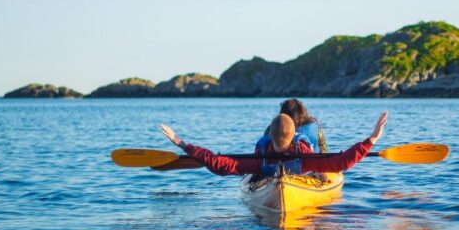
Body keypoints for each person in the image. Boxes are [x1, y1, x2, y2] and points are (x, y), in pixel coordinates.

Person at [160, 111, 388, 176]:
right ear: (294, 137)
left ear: (271, 135)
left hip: (263, 172)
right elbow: (341, 163)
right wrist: (372, 139)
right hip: (303, 173)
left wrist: (182, 144)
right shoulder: (306, 159)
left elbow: (219, 164)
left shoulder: (259, 162)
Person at [263, 98, 328, 153]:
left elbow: (262, 148)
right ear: (303, 113)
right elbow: (324, 154)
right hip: (310, 165)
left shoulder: (272, 128)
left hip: (274, 165)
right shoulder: (316, 130)